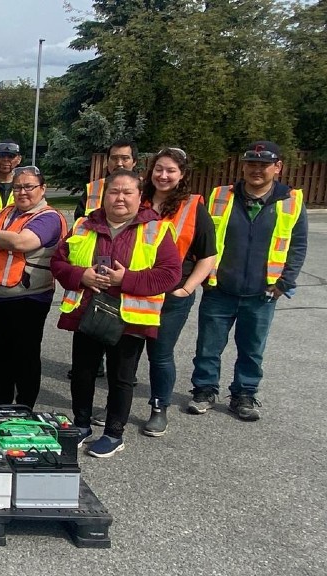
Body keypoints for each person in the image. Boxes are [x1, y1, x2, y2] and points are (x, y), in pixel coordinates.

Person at [51, 169, 181, 458]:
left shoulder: (156, 229)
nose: (119, 198)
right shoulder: (85, 224)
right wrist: (81, 275)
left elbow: (170, 275)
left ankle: (113, 433)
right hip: (87, 313)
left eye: (127, 192)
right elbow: (58, 263)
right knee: (82, 374)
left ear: (140, 197)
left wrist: (127, 280)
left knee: (121, 379)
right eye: (113, 191)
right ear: (104, 195)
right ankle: (82, 425)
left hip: (129, 319)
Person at [188, 141, 308, 422]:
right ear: (243, 166)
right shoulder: (221, 196)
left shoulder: (290, 200)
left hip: (262, 292)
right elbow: (202, 238)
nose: (257, 170)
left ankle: (244, 394)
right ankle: (204, 390)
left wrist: (284, 283)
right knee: (208, 345)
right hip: (220, 288)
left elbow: (298, 245)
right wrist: (203, 275)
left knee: (252, 349)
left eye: (264, 165)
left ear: (277, 167)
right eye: (251, 163)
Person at [137, 148, 216, 436]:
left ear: (182, 175)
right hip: (137, 290)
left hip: (172, 295)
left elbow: (208, 255)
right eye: (159, 168)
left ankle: (159, 408)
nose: (163, 175)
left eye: (170, 170)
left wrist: (188, 288)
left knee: (160, 355)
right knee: (127, 352)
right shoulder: (138, 200)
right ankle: (115, 408)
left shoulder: (194, 207)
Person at [0, 166, 67, 409]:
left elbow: (22, 242)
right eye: (17, 187)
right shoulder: (4, 214)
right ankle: (0, 399)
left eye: (28, 187)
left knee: (25, 356)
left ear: (42, 189)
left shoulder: (49, 217)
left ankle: (24, 405)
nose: (22, 192)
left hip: (29, 297)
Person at [69, 139, 138, 385]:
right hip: (95, 263)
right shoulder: (92, 189)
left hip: (128, 271)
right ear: (107, 161)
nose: (119, 162)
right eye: (114, 158)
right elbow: (79, 224)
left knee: (122, 352)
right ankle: (95, 365)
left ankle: (120, 373)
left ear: (134, 162)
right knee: (91, 324)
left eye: (125, 158)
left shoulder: (140, 189)